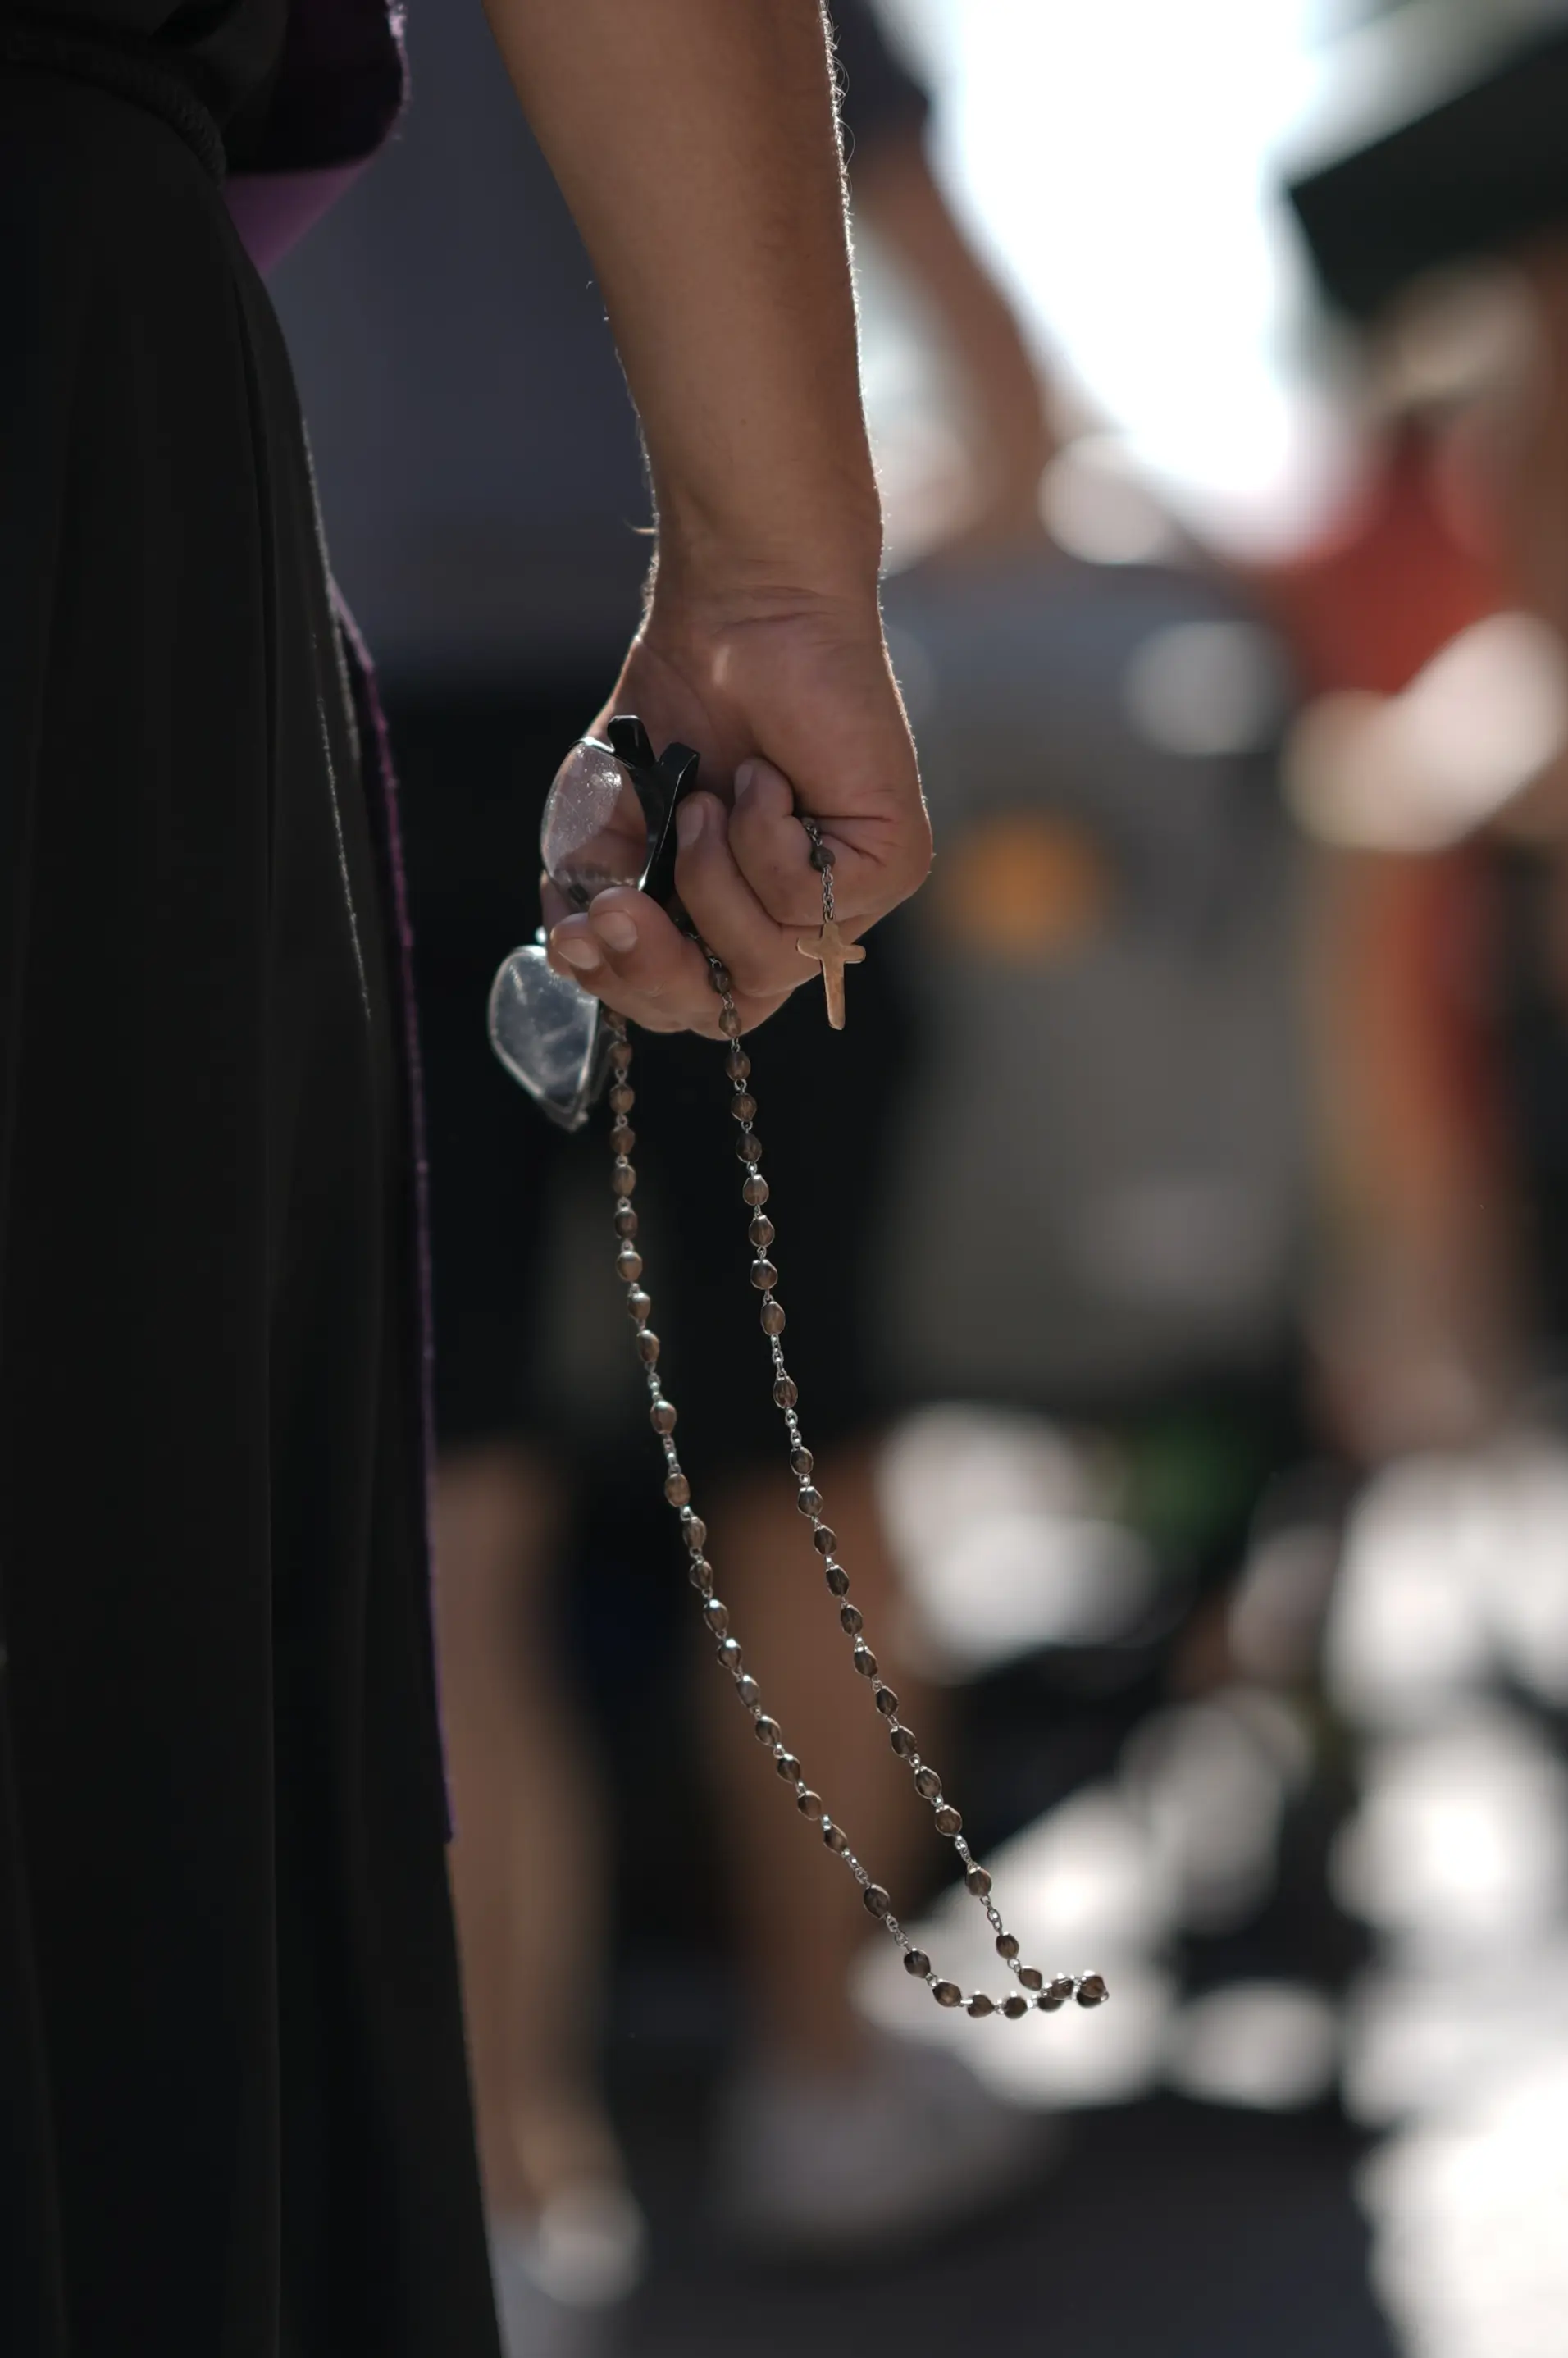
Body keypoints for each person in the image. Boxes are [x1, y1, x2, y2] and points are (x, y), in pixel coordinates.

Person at [0, 3, 930, 2352]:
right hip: (372, 626)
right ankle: (821, 2076)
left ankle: (523, 2175)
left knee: (463, 1507)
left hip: (374, 648)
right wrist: (784, 574)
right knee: (777, 1458)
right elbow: (980, 363)